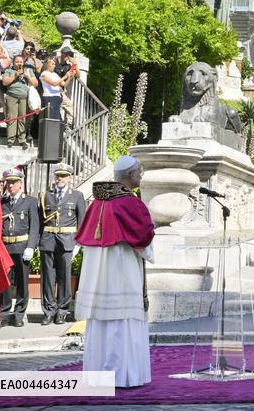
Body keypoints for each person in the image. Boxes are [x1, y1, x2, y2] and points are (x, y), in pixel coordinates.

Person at [75, 155, 155, 388]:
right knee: (123, 322)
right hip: (122, 272)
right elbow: (143, 239)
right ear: (131, 175)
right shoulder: (130, 203)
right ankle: (124, 376)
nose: (141, 175)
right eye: (139, 171)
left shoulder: (97, 202)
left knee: (100, 322)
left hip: (98, 276)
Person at [37, 162, 85, 325]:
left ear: (70, 178)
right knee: (47, 278)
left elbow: (82, 221)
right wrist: (36, 243)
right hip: (48, 239)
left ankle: (62, 310)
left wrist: (79, 244)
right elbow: (39, 222)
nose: (60, 178)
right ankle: (48, 311)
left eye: (64, 176)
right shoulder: (45, 196)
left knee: (65, 277)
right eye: (58, 175)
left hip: (67, 241)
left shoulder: (77, 196)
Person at [0, 168, 39, 328]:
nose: (10, 185)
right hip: (6, 247)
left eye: (14, 182)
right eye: (8, 182)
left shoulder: (30, 201)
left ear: (21, 183)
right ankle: (5, 314)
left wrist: (31, 247)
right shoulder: (2, 202)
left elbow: (34, 226)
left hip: (22, 247)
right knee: (5, 282)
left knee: (22, 282)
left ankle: (19, 314)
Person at [1, 54, 37, 147]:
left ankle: (22, 139)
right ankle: (11, 139)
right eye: (17, 62)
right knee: (11, 118)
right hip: (11, 96)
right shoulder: (9, 71)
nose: (19, 63)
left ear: (23, 62)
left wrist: (27, 76)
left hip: (24, 97)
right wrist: (15, 76)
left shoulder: (28, 70)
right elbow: (4, 82)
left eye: (21, 62)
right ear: (13, 62)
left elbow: (35, 83)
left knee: (22, 118)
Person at [39, 57, 73, 121]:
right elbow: (54, 84)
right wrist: (65, 76)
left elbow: (64, 84)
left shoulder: (55, 74)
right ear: (47, 65)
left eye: (54, 64)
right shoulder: (44, 74)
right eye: (52, 64)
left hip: (57, 97)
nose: (54, 66)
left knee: (56, 118)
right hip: (49, 97)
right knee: (50, 117)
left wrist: (69, 77)